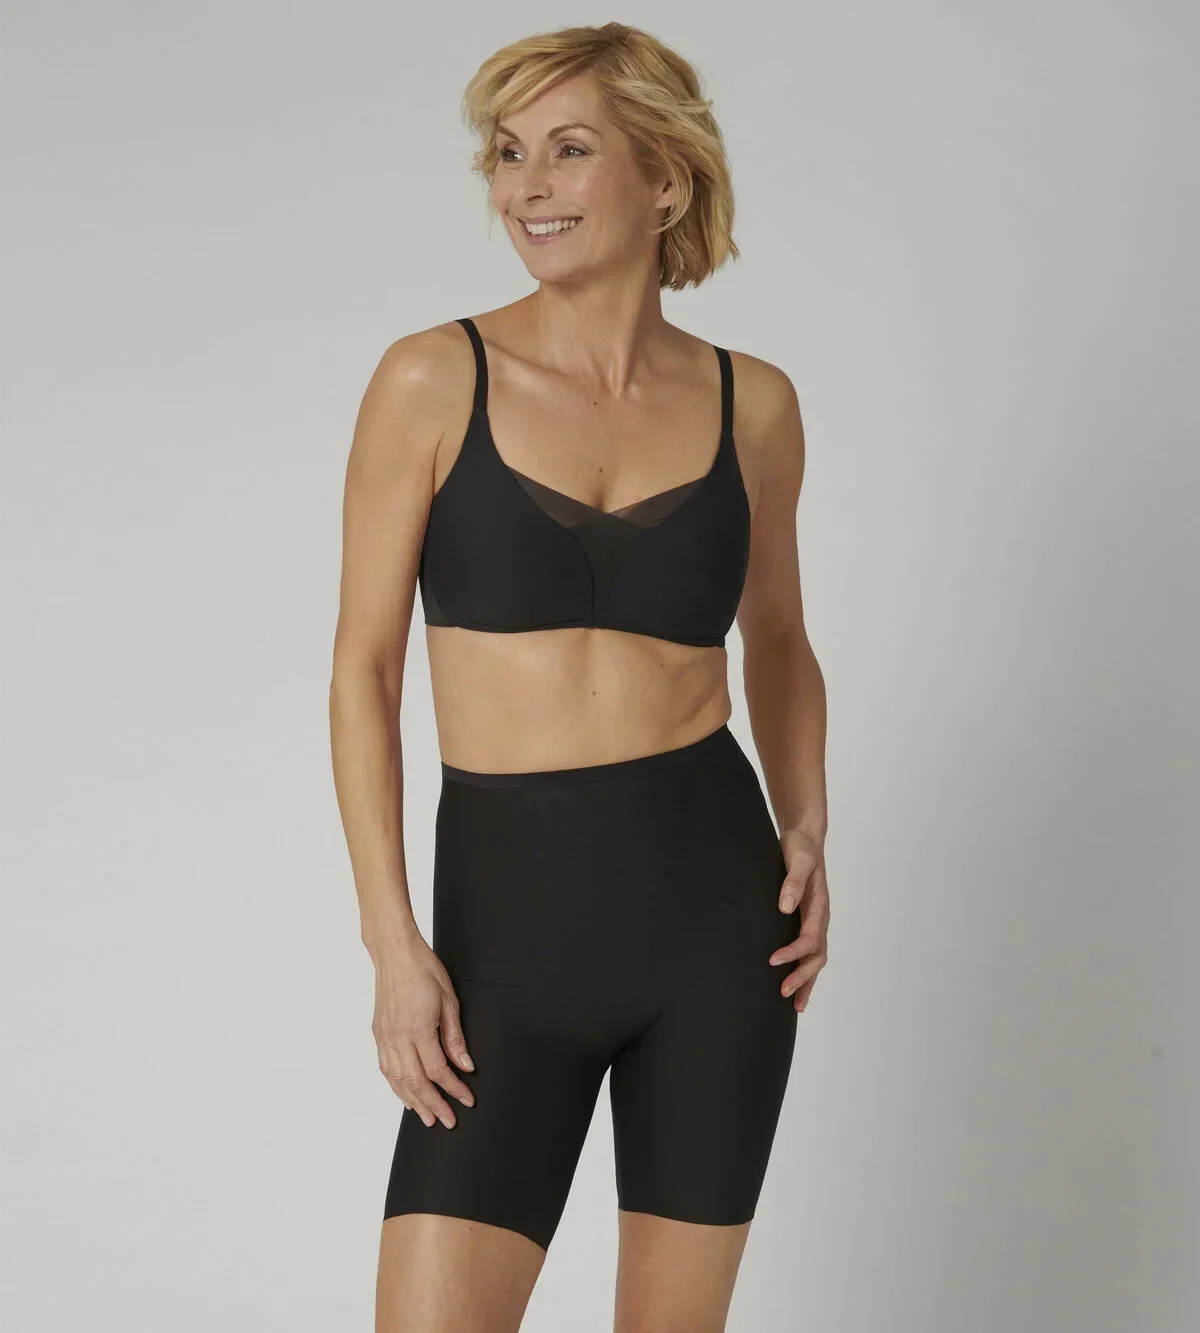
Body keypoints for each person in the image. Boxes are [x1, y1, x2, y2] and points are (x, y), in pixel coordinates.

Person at [329, 21, 830, 1333]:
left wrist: (808, 825)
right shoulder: (432, 378)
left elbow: (780, 639)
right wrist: (392, 941)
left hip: (717, 932)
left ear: (664, 177)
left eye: (568, 150)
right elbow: (364, 667)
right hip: (503, 947)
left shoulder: (754, 404)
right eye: (507, 155)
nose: (527, 188)